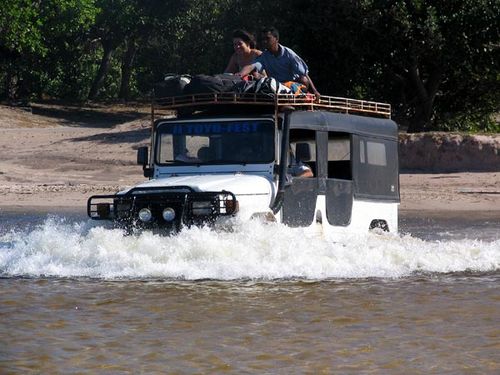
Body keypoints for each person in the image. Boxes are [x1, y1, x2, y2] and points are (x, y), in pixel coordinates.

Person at [237, 26, 320, 97]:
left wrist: (315, 91)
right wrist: (239, 75)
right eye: (263, 39)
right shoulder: (264, 56)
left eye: (267, 38)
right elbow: (251, 66)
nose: (264, 41)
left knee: (303, 79)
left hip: (292, 86)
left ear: (276, 39)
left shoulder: (289, 54)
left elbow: (304, 73)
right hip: (275, 87)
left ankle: (292, 100)